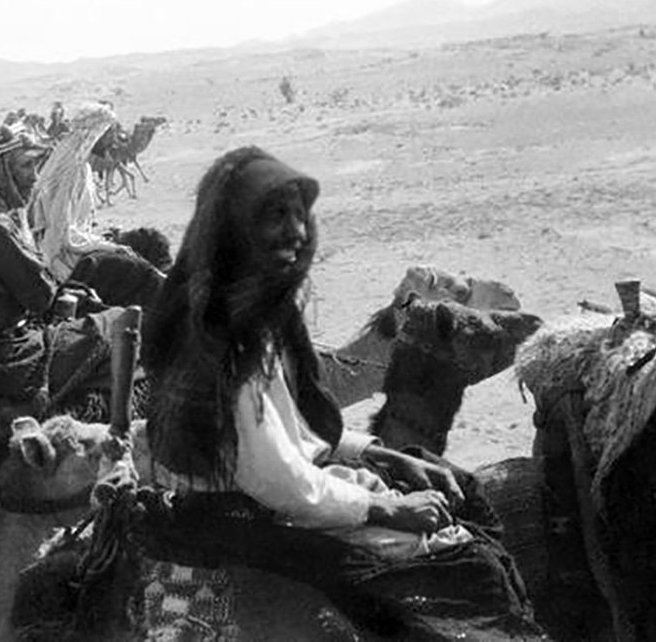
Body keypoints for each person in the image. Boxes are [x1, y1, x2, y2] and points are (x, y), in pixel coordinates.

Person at [141, 146, 546, 642]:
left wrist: (381, 453)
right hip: (243, 514)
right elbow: (275, 477)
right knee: (457, 572)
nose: (295, 231)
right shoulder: (222, 332)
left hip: (274, 491)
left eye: (298, 215)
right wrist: (385, 509)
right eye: (274, 217)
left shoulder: (259, 310)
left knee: (459, 493)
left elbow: (297, 429)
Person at [0, 123, 131, 464]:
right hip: (7, 355)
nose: (34, 177)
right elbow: (42, 297)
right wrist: (71, 299)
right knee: (110, 330)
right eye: (24, 166)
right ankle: (101, 455)